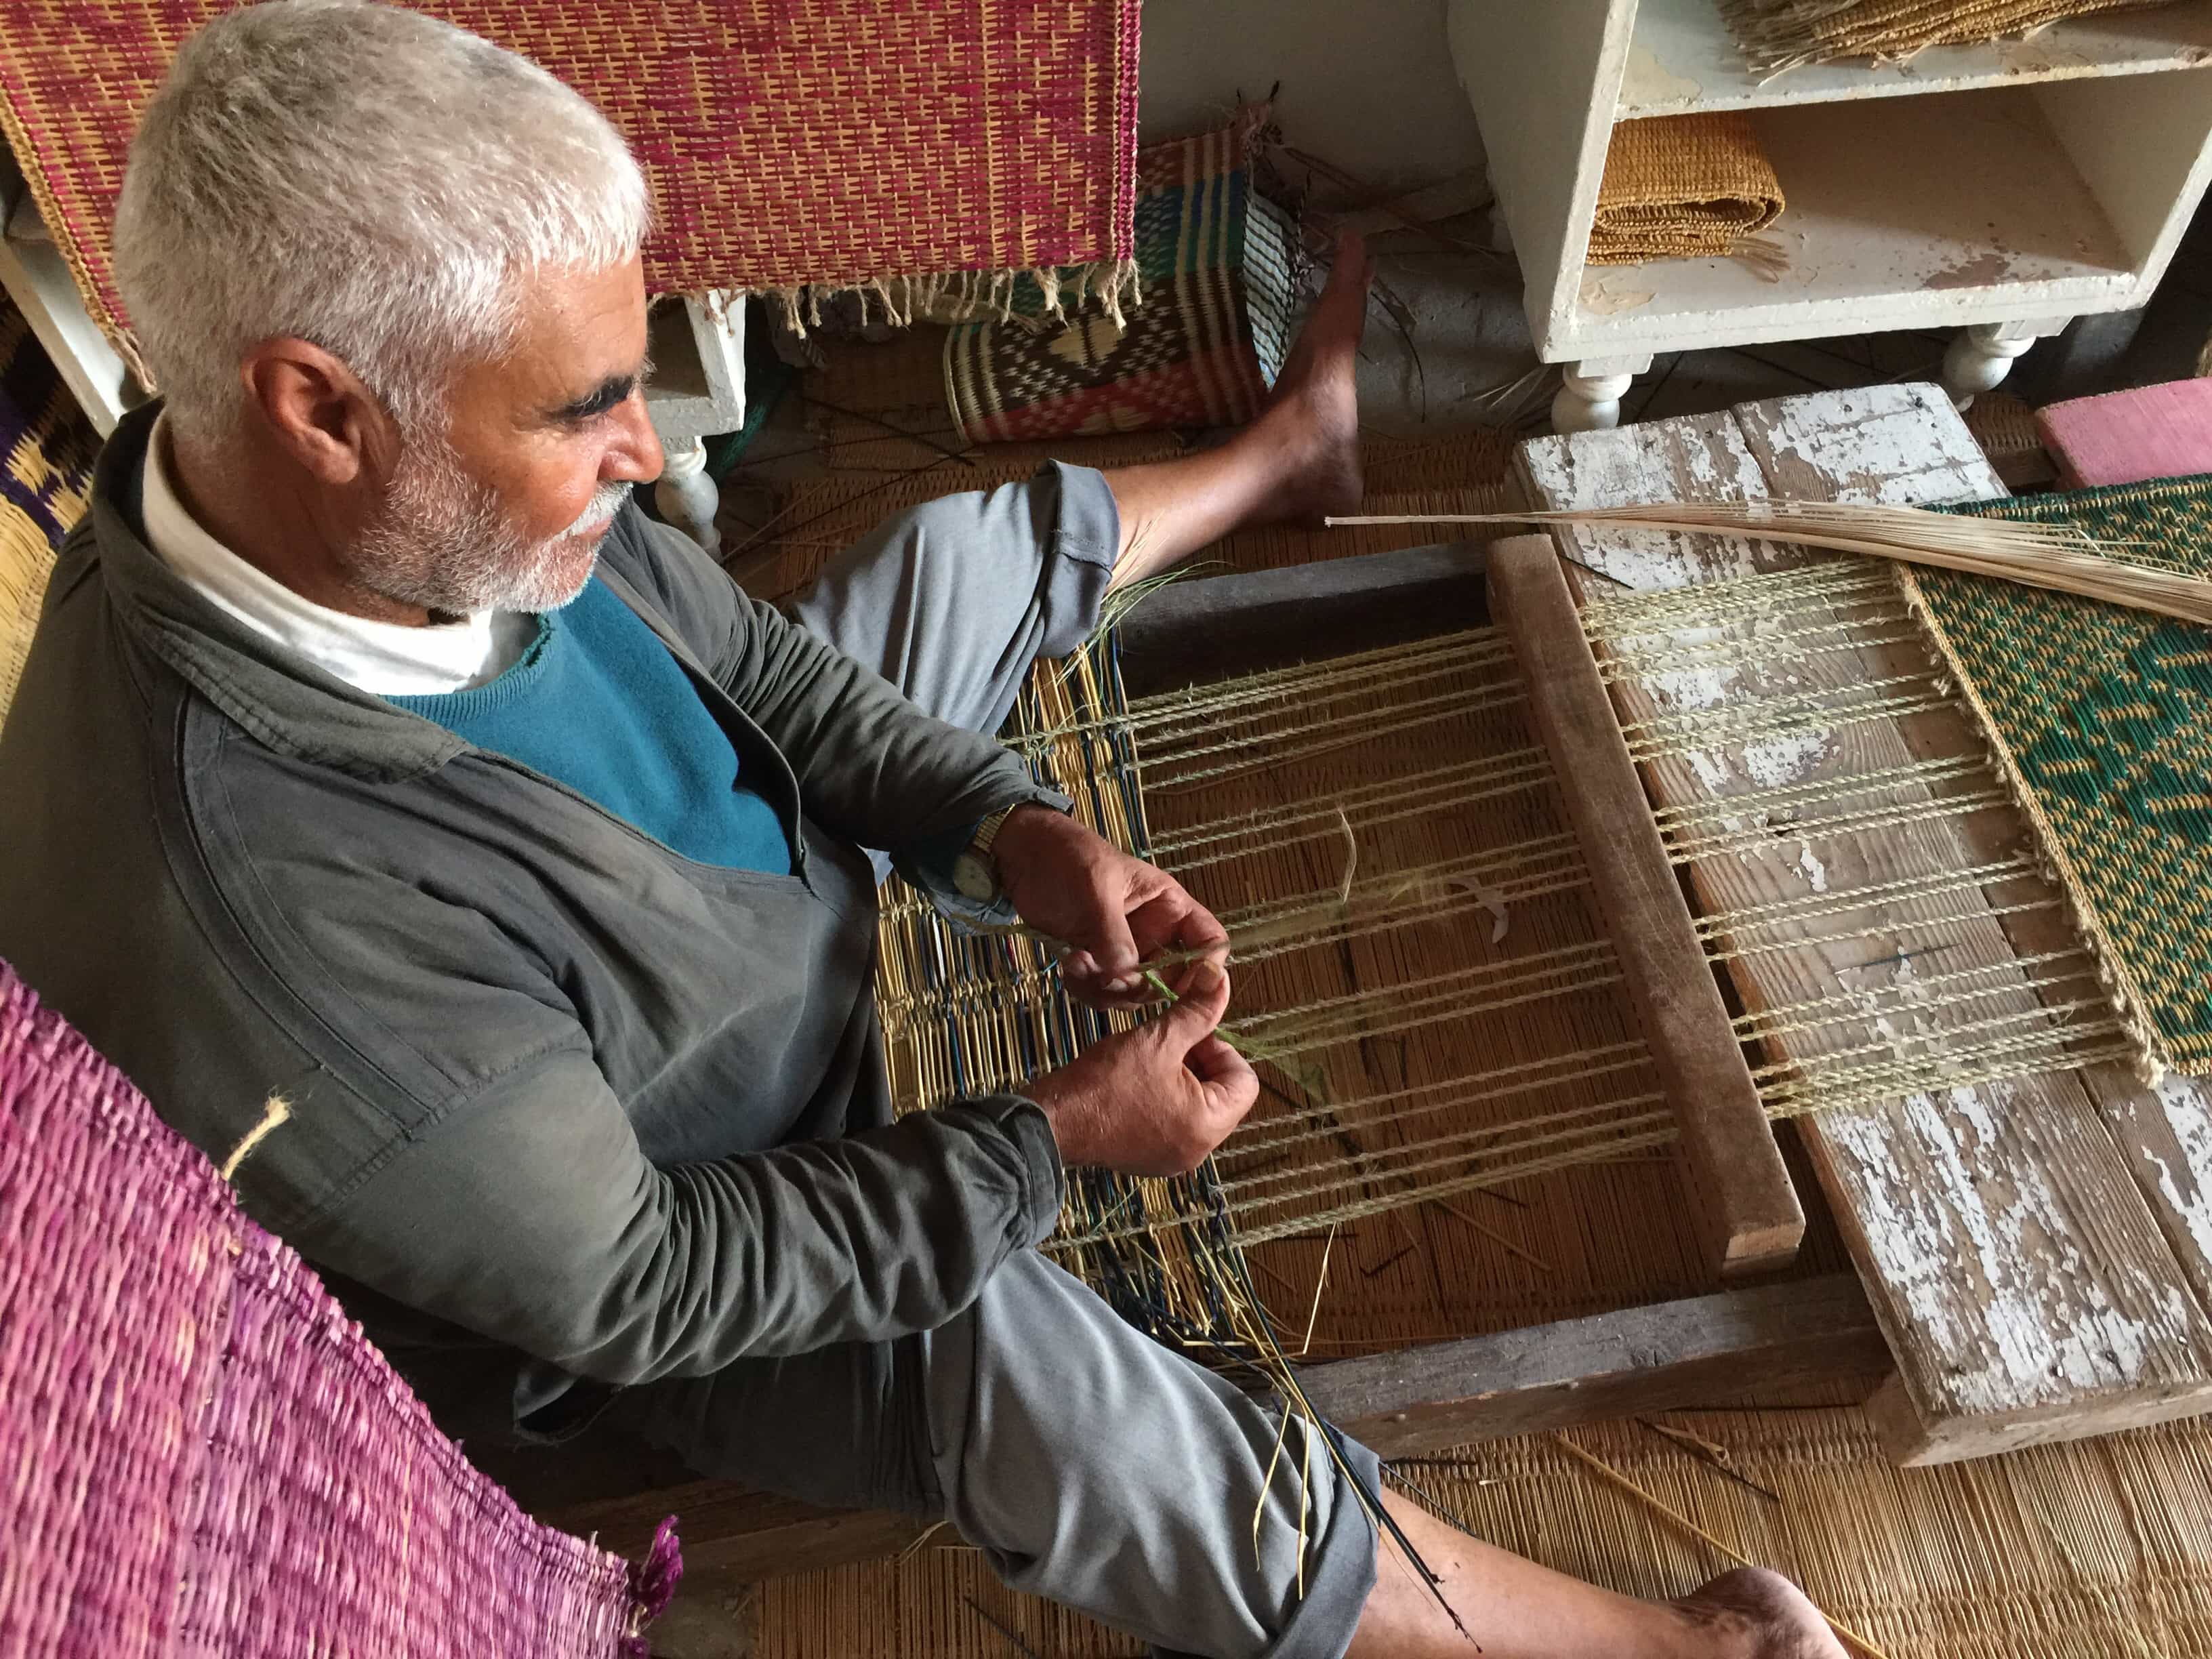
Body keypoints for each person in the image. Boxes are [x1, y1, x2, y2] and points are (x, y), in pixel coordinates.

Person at [0, 5, 1844, 1656]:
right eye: (587, 414)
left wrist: (1015, 829)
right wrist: (1047, 1145)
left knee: (953, 562)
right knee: (1043, 1386)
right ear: (320, 407)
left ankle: (1283, 460)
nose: (644, 455)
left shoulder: (415, 507)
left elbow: (776, 692)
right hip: (691, 1215)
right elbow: (645, 1282)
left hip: (760, 923)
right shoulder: (252, 905)